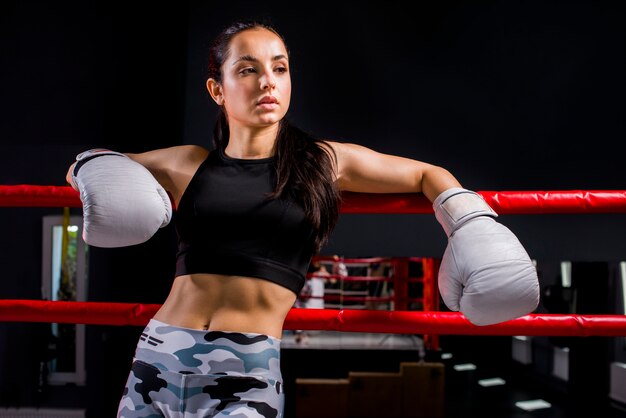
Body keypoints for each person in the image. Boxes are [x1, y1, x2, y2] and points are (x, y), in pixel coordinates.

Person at [66, 20, 540, 418]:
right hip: (160, 353)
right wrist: (93, 168)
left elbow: (425, 173)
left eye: (279, 68)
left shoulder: (322, 162)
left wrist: (468, 221)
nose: (267, 81)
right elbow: (92, 164)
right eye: (248, 70)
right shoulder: (187, 163)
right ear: (217, 88)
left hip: (247, 366)